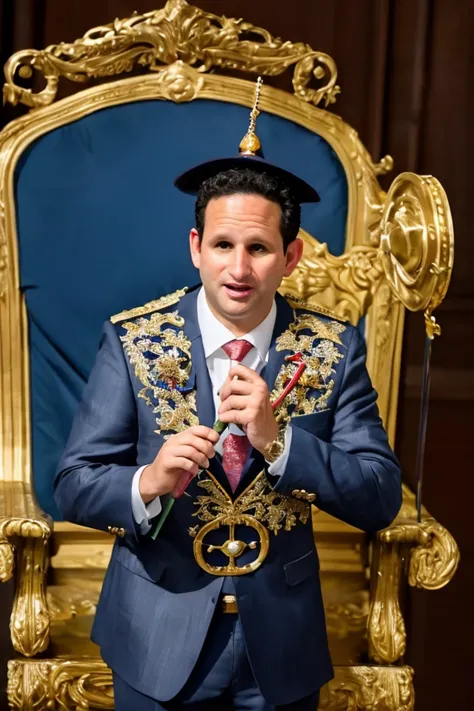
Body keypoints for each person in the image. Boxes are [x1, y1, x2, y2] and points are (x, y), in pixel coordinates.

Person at [54, 80, 402, 711]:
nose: (238, 270)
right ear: (196, 248)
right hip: (154, 633)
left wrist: (283, 442)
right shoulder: (134, 340)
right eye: (222, 246)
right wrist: (149, 481)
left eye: (259, 249)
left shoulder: (333, 347)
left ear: (290, 256)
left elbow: (379, 497)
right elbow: (73, 482)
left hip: (281, 644)